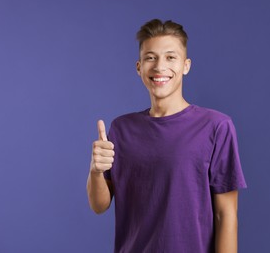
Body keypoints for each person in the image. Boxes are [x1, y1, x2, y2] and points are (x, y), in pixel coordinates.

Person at [86, 19, 247, 253]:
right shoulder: (121, 129)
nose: (160, 67)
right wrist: (95, 171)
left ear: (186, 65)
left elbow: (227, 215)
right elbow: (99, 205)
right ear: (139, 67)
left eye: (171, 57)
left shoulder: (216, 126)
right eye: (150, 57)